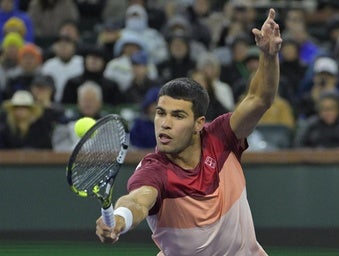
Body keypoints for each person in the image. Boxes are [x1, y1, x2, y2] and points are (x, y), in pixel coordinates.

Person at [95, 8, 281, 255]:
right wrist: (119, 220)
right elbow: (138, 200)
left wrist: (268, 56)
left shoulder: (222, 136)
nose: (165, 123)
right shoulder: (154, 170)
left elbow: (259, 99)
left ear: (198, 123)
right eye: (161, 113)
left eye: (178, 115)